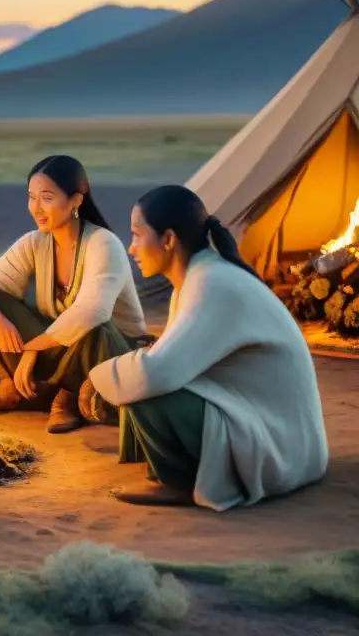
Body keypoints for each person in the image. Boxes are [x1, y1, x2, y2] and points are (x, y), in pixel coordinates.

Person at [88, 185, 329, 508]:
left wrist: (95, 379)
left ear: (169, 239)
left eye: (136, 235)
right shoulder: (201, 277)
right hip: (287, 439)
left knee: (145, 386)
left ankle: (179, 481)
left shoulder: (212, 284)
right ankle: (166, 462)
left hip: (279, 449)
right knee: (134, 374)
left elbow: (156, 373)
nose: (131, 248)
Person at [0, 155, 151, 433]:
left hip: (110, 352)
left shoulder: (103, 243)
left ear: (75, 200)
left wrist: (30, 350)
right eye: (31, 197)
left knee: (92, 328)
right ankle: (13, 385)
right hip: (61, 347)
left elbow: (93, 311)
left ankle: (68, 398)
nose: (36, 208)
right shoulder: (35, 242)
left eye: (47, 198)